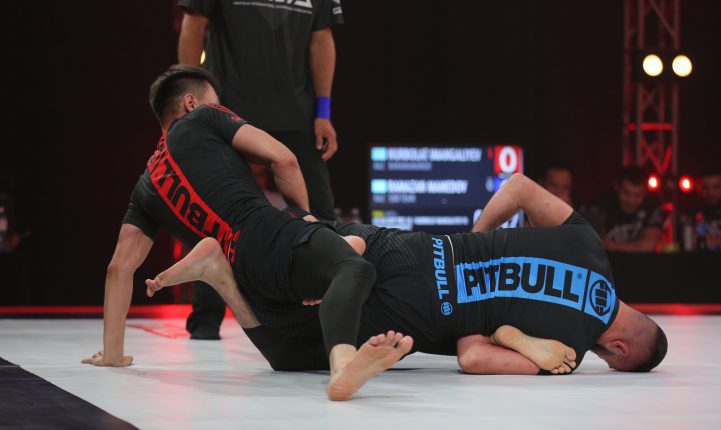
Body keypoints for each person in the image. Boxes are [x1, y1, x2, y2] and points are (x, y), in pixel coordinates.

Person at [81, 65, 411, 401]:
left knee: (290, 355)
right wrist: (305, 221)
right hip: (271, 237)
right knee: (357, 263)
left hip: (250, 288)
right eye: (215, 100)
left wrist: (113, 353)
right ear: (191, 103)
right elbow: (283, 159)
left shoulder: (145, 188)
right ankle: (343, 365)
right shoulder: (205, 117)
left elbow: (119, 268)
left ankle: (225, 268)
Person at [147, 173, 668, 378]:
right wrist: (517, 342)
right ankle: (220, 275)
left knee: (307, 244)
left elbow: (518, 187)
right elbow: (472, 356)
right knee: (288, 352)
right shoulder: (567, 349)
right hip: (418, 310)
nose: (605, 361)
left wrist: (475, 242)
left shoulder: (589, 244)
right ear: (620, 350)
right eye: (613, 363)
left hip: (415, 250)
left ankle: (252, 235)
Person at [178, 0, 343, 338]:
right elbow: (193, 24)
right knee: (215, 214)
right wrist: (192, 104)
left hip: (296, 112)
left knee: (320, 213)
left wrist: (323, 112)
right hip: (228, 109)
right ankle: (206, 319)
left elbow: (321, 39)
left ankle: (332, 310)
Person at [585, 166, 663, 252]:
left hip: (640, 260)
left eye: (637, 195)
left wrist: (613, 246)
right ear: (616, 187)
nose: (631, 201)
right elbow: (592, 244)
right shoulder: (600, 205)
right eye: (626, 193)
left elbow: (649, 245)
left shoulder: (651, 206)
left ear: (646, 193)